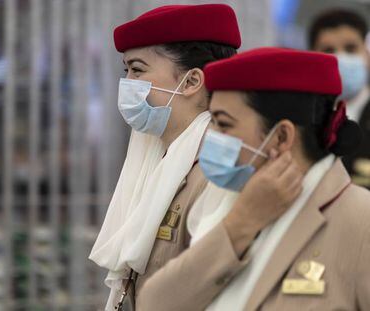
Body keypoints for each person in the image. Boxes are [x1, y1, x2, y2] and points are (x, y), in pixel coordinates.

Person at [136, 48, 370, 311]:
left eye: (223, 124)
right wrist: (240, 225)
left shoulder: (359, 219)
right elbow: (154, 302)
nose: (212, 137)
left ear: (281, 137)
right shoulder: (232, 202)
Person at [89, 4, 242, 310]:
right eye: (126, 71)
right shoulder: (158, 154)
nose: (128, 83)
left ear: (191, 82)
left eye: (138, 69)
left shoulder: (218, 168)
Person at [309, 9, 370, 188]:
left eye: (351, 49)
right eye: (329, 50)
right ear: (312, 57)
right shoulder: (303, 119)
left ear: (366, 54)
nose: (341, 58)